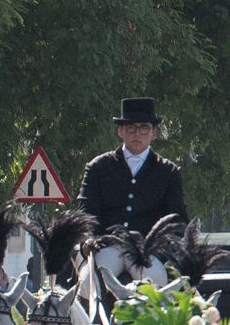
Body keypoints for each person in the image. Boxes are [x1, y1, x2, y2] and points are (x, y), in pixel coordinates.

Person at [76, 96, 189, 238]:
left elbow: (177, 220)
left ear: (154, 133)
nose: (137, 133)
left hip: (150, 247)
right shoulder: (98, 167)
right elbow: (86, 214)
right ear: (120, 131)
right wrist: (94, 242)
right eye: (131, 127)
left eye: (144, 128)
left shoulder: (168, 171)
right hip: (106, 243)